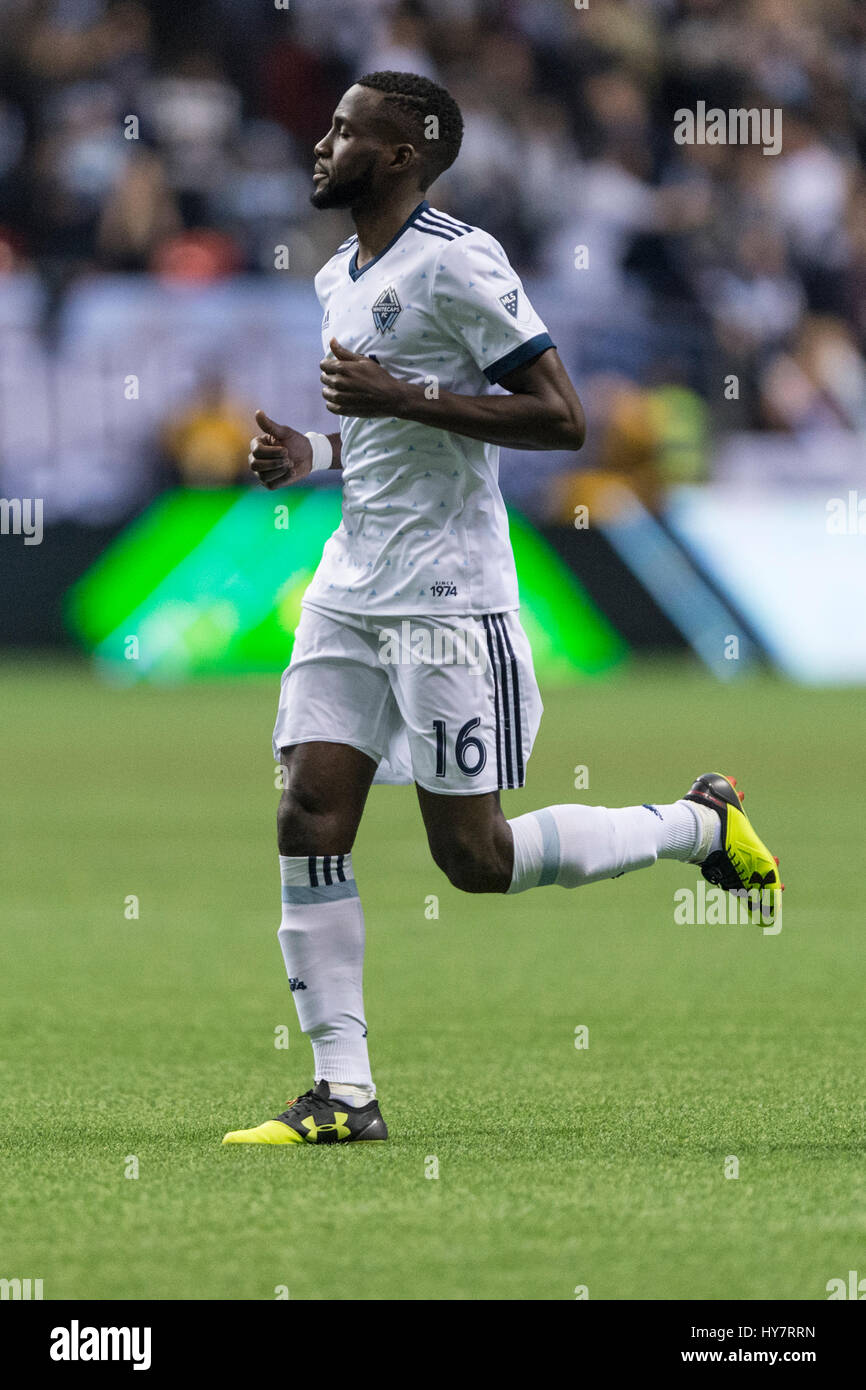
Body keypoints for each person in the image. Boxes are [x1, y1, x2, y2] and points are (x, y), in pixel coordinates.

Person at [223, 72, 780, 1148]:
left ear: (397, 157)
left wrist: (403, 395)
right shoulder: (338, 272)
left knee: (470, 860)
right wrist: (312, 452)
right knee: (306, 811)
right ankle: (343, 1093)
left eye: (343, 131)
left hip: (446, 594)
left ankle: (695, 823)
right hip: (349, 584)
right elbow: (386, 437)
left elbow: (559, 417)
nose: (319, 144)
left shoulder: (458, 260)